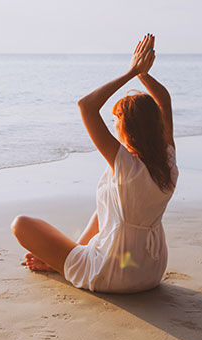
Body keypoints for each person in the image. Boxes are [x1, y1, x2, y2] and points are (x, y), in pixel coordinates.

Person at [11, 34, 178, 293]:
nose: (114, 125)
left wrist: (133, 70)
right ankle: (71, 256)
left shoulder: (127, 167)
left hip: (116, 273)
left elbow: (86, 106)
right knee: (108, 201)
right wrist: (143, 75)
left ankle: (65, 263)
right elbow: (164, 102)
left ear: (128, 129)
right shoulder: (167, 163)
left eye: (117, 121)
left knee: (20, 224)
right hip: (151, 269)